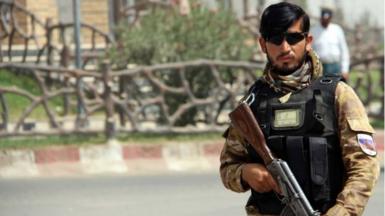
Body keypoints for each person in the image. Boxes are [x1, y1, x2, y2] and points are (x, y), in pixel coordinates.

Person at [219, 2, 379, 216]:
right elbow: (228, 167)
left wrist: (343, 211)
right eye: (275, 39)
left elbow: (364, 166)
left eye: (294, 38)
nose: (285, 47)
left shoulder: (338, 95)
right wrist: (245, 173)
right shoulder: (253, 103)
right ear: (262, 44)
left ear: (308, 41)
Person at [310, 6, 350, 81]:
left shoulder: (337, 30)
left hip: (335, 67)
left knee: (337, 90)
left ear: (330, 18)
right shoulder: (314, 31)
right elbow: (310, 51)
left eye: (327, 19)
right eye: (324, 19)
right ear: (321, 17)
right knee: (321, 90)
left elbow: (344, 51)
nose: (325, 21)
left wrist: (345, 70)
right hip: (321, 67)